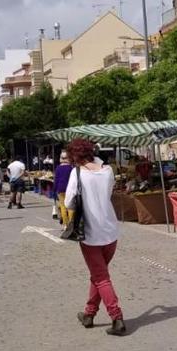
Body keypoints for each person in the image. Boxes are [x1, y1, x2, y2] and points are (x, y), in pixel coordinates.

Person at [64, 139, 126, 336]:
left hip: (90, 233)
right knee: (99, 276)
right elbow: (107, 194)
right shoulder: (107, 170)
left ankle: (116, 317)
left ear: (75, 155)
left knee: (101, 277)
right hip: (110, 230)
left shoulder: (78, 172)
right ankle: (89, 314)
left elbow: (68, 202)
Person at [54, 151, 74, 226]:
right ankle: (71, 223)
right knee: (70, 206)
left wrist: (54, 189)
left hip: (60, 188)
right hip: (69, 189)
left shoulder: (58, 168)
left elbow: (56, 180)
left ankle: (66, 224)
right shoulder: (71, 168)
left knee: (63, 206)